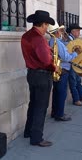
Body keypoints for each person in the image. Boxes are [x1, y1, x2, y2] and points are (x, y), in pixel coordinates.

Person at [21, 10, 57, 147]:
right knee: (41, 107)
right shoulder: (39, 38)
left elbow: (35, 54)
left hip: (31, 74)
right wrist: (55, 68)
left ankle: (28, 131)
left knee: (33, 103)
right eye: (47, 25)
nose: (47, 28)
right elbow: (46, 61)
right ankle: (36, 138)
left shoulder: (26, 36)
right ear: (43, 24)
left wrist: (48, 51)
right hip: (42, 75)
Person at [48, 21, 80, 121]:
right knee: (61, 93)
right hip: (62, 70)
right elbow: (66, 57)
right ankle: (60, 114)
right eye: (60, 31)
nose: (62, 33)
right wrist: (75, 53)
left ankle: (55, 112)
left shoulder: (52, 41)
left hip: (57, 70)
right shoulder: (58, 43)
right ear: (57, 32)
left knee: (56, 92)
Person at [66, 23, 82, 106]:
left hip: (76, 63)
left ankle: (81, 96)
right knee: (73, 82)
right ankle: (76, 99)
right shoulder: (68, 39)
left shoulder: (75, 40)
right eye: (78, 31)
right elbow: (69, 52)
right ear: (73, 31)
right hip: (71, 64)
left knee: (78, 81)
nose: (79, 33)